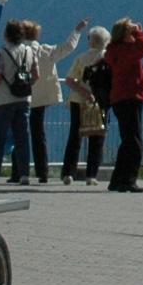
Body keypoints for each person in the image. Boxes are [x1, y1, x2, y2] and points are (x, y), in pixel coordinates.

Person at [27, 17, 85, 186]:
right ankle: (42, 172)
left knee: (20, 133)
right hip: (42, 98)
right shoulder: (46, 51)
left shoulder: (21, 52)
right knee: (39, 133)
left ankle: (19, 171)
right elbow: (68, 46)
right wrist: (77, 31)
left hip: (21, 95)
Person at [0, 21, 43, 185]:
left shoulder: (1, 53)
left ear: (6, 35)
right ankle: (24, 174)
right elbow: (36, 75)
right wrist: (25, 85)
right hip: (23, 99)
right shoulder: (29, 51)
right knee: (22, 138)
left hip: (3, 99)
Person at [104, 16, 143, 193]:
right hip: (131, 97)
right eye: (130, 30)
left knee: (127, 141)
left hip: (121, 98)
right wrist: (140, 32)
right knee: (134, 142)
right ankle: (129, 180)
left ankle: (117, 180)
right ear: (124, 34)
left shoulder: (115, 51)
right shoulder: (125, 51)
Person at [62, 24, 112, 185]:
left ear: (91, 41)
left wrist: (84, 92)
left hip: (79, 100)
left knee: (75, 137)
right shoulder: (109, 59)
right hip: (101, 102)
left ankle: (68, 172)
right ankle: (91, 175)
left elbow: (69, 80)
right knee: (97, 138)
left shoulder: (81, 58)